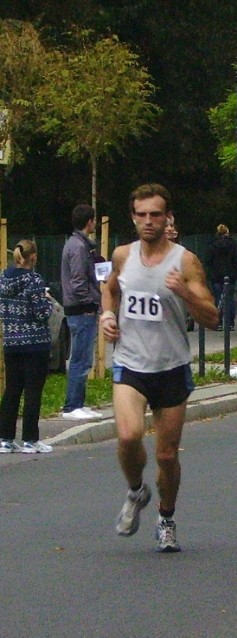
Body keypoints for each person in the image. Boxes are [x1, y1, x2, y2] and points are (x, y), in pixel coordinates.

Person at [100, 183, 219, 552]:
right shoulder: (122, 255)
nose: (148, 221)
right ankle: (136, 491)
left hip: (171, 367)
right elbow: (111, 288)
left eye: (156, 214)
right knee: (128, 435)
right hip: (131, 363)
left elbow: (212, 317)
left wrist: (184, 292)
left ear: (168, 218)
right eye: (141, 215)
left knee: (167, 456)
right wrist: (107, 314)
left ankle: (166, 517)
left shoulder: (185, 261)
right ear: (133, 217)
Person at [0, 241, 54, 454]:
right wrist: (48, 301)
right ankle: (30, 440)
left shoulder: (3, 279)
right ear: (33, 257)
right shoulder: (35, 280)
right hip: (35, 343)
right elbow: (42, 313)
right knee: (33, 390)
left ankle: (5, 438)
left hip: (12, 342)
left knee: (12, 390)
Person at [60, 203, 103, 420]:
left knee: (83, 357)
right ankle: (72, 405)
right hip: (81, 309)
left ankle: (78, 402)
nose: (95, 224)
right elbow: (78, 282)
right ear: (89, 222)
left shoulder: (79, 244)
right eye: (93, 220)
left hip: (79, 307)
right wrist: (91, 302)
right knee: (80, 357)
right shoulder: (78, 247)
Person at [206, 224, 237, 331]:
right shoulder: (233, 244)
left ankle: (218, 322)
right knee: (229, 299)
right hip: (229, 276)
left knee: (218, 298)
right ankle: (230, 323)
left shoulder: (213, 245)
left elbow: (208, 261)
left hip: (216, 275)